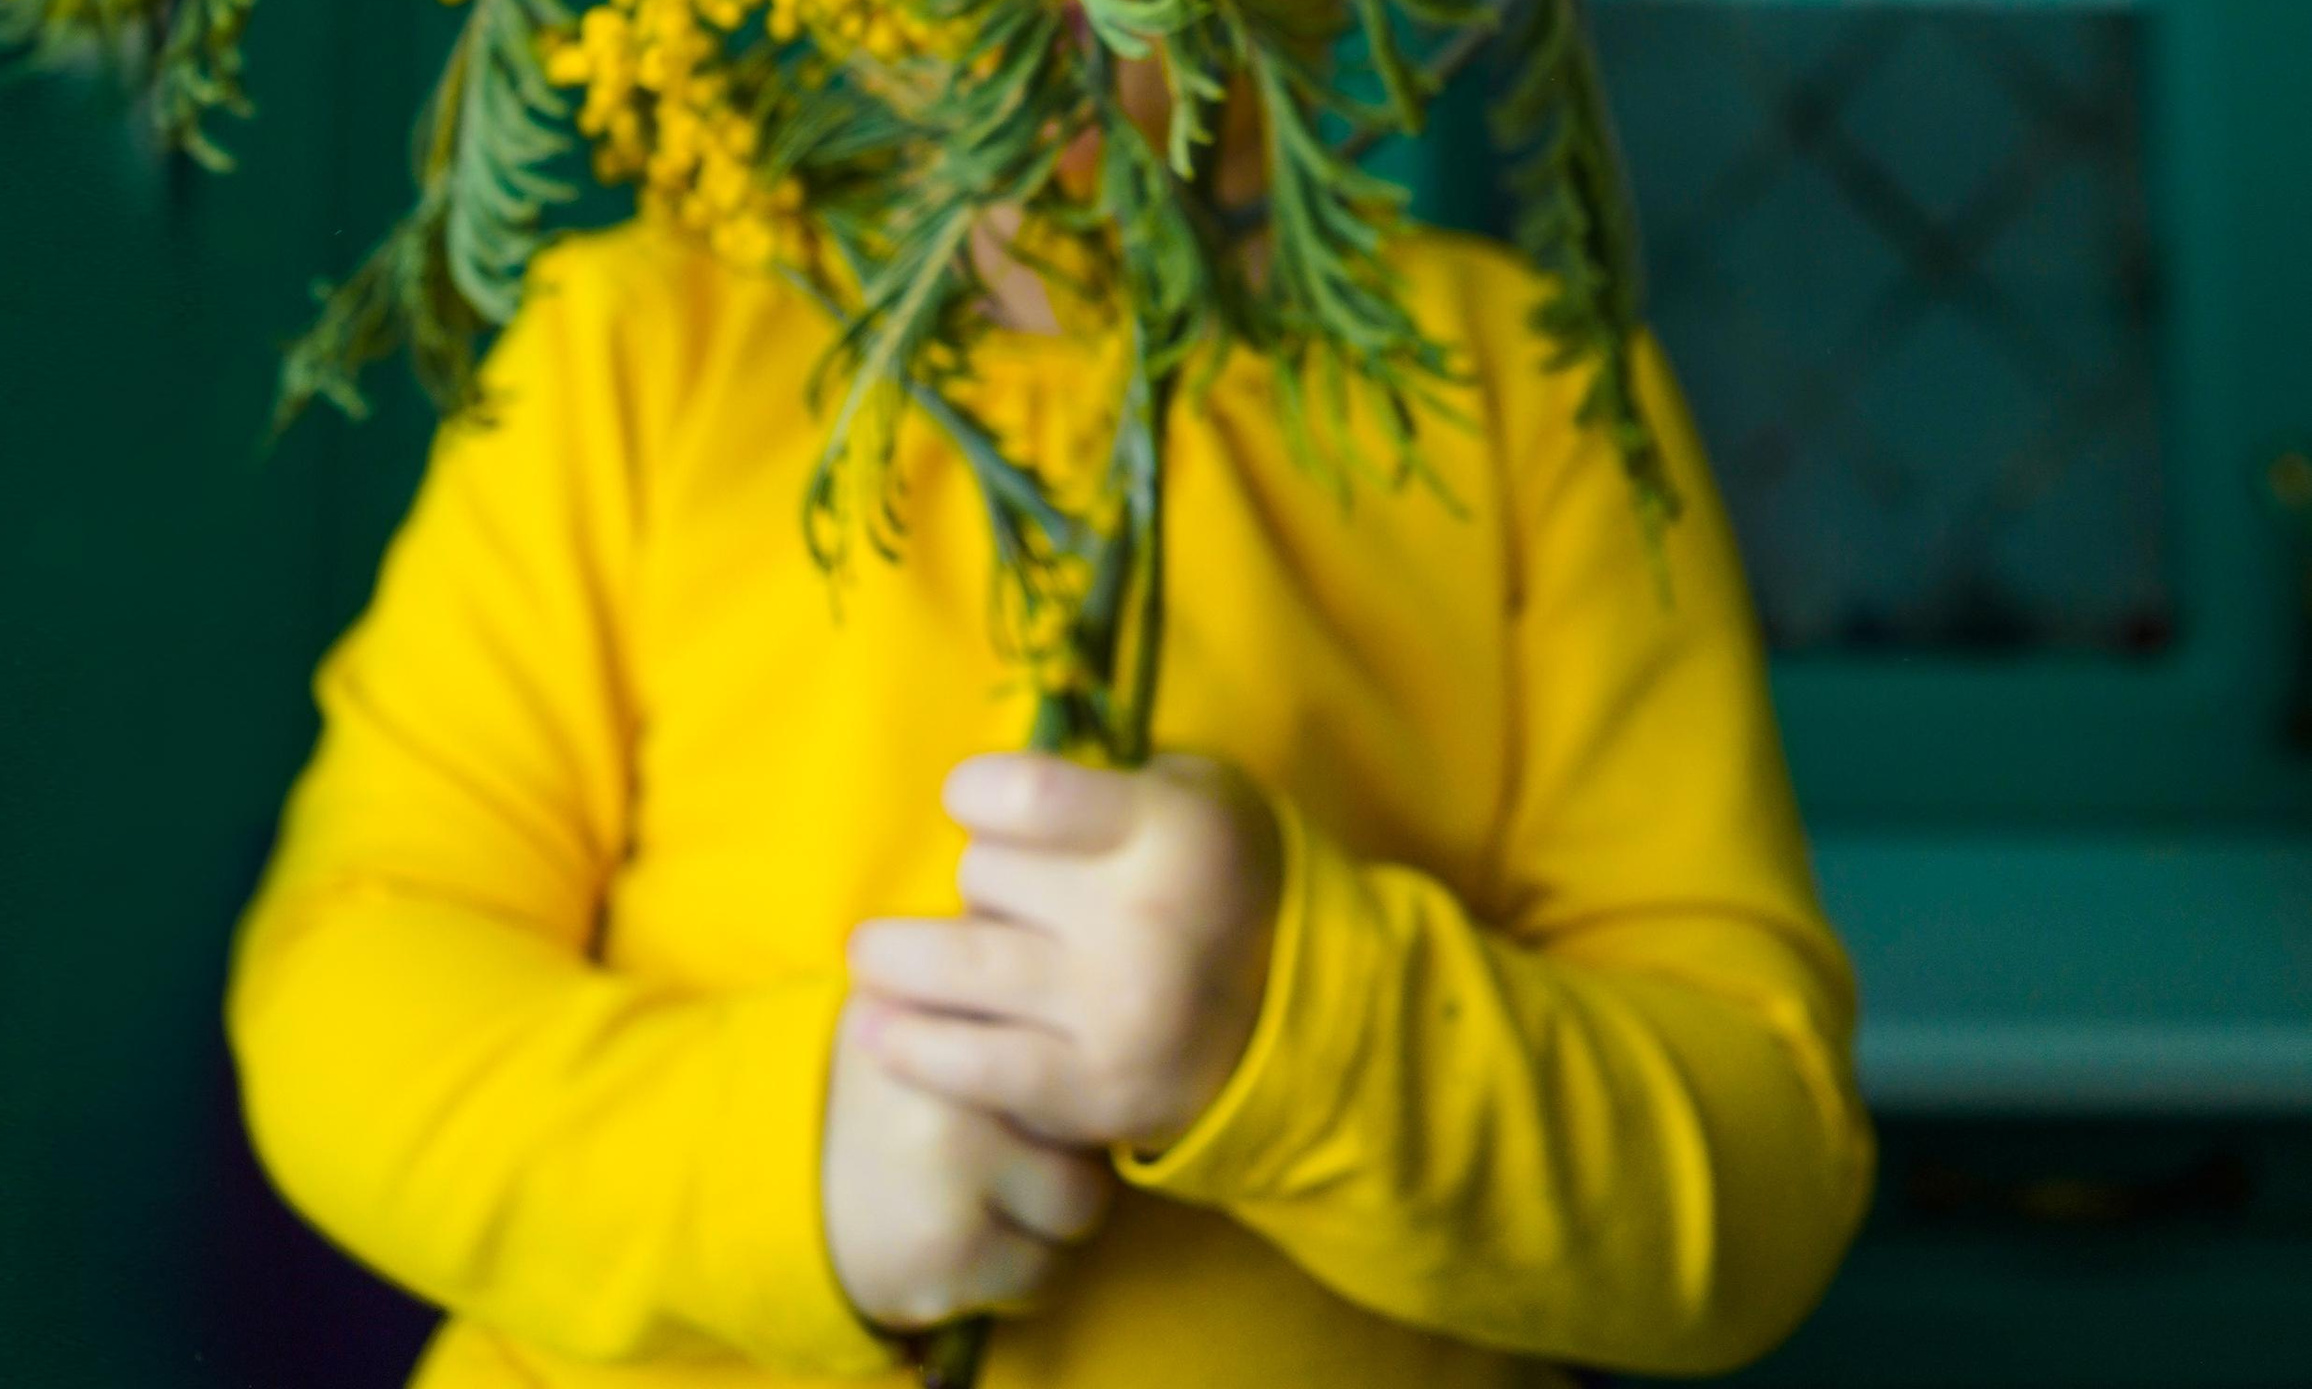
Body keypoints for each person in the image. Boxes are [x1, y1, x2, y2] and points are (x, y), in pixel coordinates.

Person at [227, 138, 1873, 1385]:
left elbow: (1761, 1163)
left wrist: (1296, 1029)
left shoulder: (1534, 399)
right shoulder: (631, 353)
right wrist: (787, 1165)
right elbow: (347, 985)